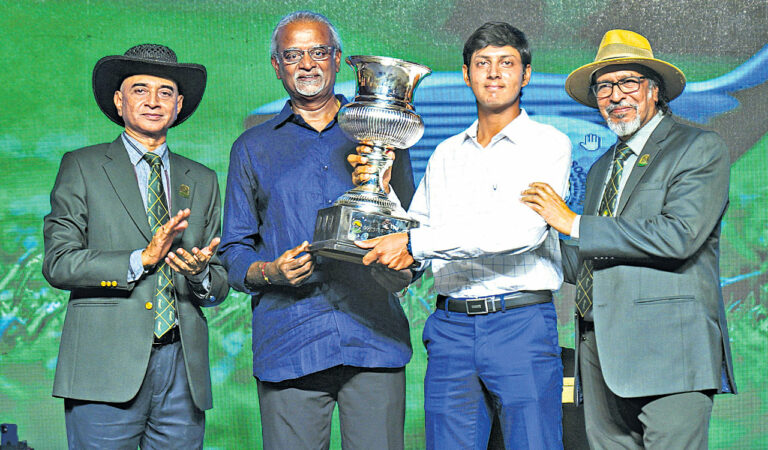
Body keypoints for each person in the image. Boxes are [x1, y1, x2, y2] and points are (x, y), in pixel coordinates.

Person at [354, 22, 571, 449]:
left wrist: (415, 244)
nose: (494, 73)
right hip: (451, 327)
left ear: (526, 74)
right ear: (466, 75)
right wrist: (382, 190)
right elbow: (417, 233)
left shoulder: (548, 145)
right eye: (483, 63)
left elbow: (522, 230)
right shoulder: (445, 154)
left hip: (520, 323)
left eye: (507, 63)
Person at [521, 29, 737, 449]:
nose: (615, 95)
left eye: (628, 82)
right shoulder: (602, 166)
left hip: (669, 354)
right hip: (598, 352)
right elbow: (591, 258)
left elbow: (680, 236)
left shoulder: (698, 147)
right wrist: (534, 230)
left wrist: (573, 223)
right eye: (604, 86)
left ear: (655, 90)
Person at [218, 11, 415, 450]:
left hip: (374, 339)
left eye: (318, 52)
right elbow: (233, 248)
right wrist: (269, 271)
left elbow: (409, 231)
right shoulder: (252, 147)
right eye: (293, 55)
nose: (307, 64)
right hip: (290, 342)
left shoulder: (381, 136)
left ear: (338, 59)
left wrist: (403, 265)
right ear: (277, 66)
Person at [42, 44, 228, 449]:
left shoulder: (202, 179)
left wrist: (200, 275)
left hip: (183, 373)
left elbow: (219, 284)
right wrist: (140, 259)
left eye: (165, 92)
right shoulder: (82, 166)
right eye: (140, 89)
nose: (153, 101)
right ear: (118, 100)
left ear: (179, 105)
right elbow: (58, 263)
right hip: (104, 368)